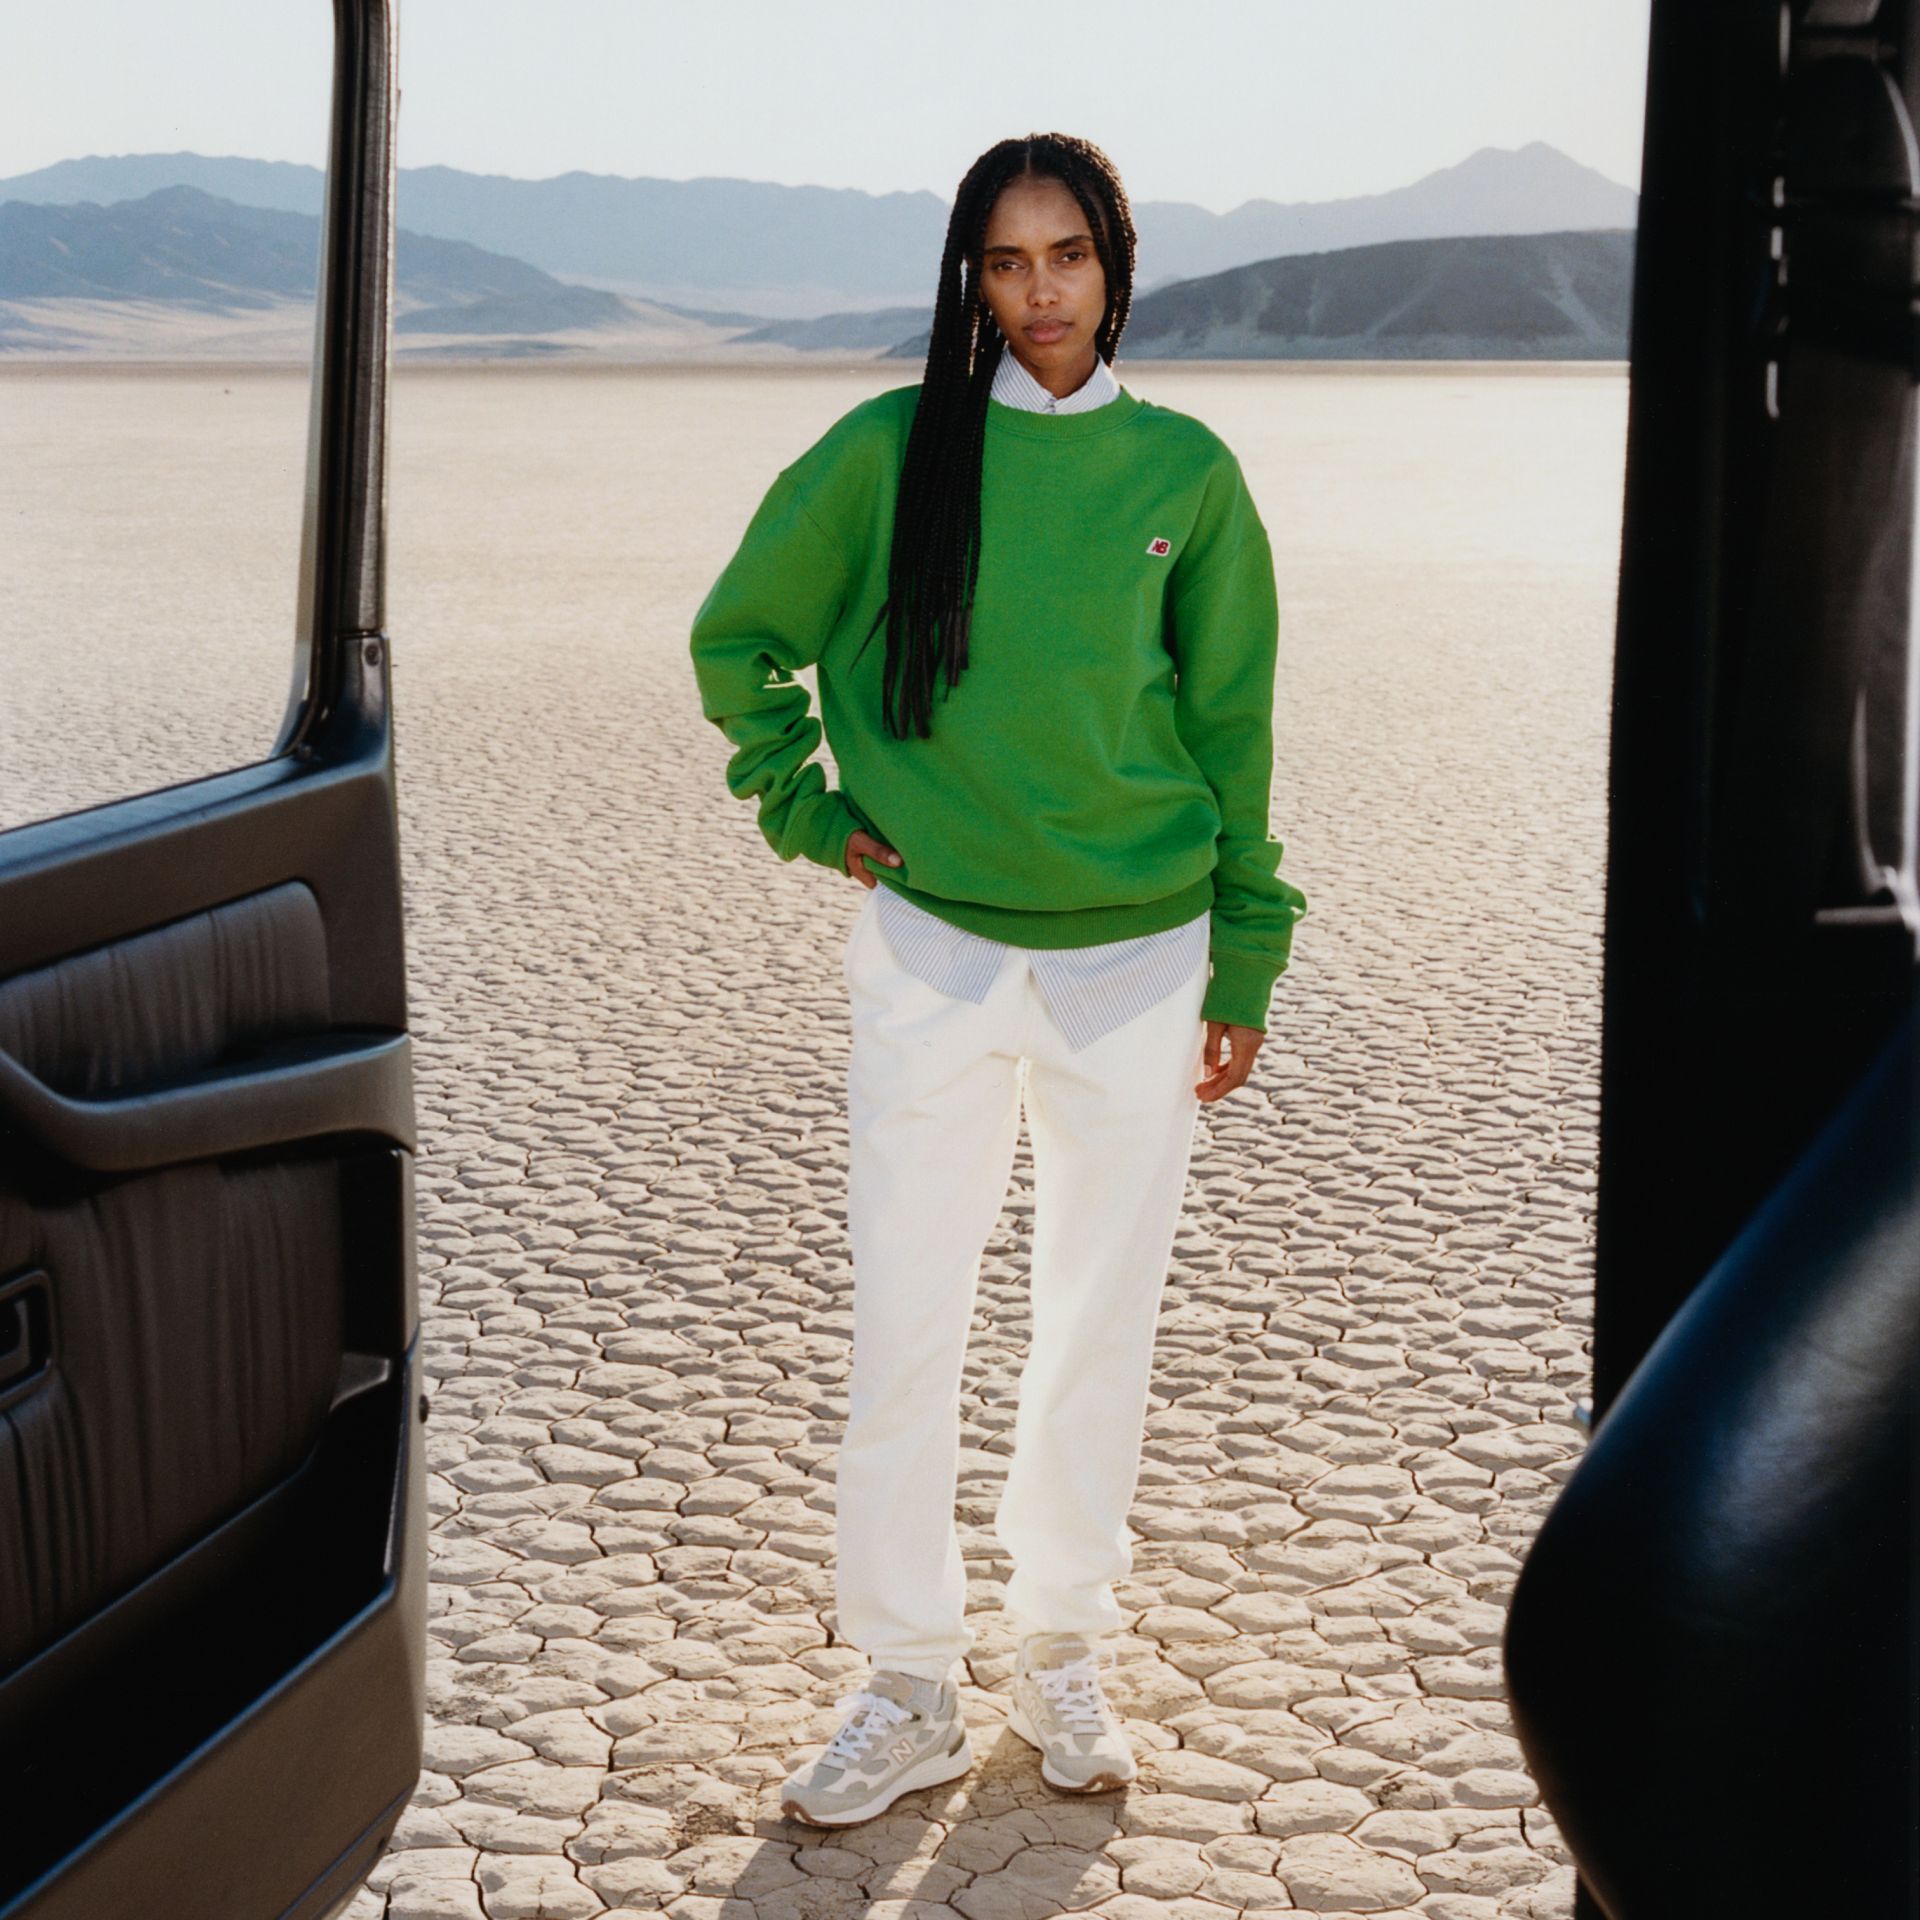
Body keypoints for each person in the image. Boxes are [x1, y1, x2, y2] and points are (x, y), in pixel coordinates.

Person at [688, 131, 1307, 1828]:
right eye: (1007, 261)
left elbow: (1232, 729)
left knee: (1098, 1322)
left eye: (1069, 256)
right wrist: (807, 808)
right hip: (934, 955)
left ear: (1117, 266)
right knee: (908, 1323)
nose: (1041, 293)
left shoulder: (1185, 473)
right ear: (971, 277)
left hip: (1143, 959)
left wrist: (1247, 944)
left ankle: (1059, 1647)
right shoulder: (890, 452)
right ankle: (907, 1681)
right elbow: (738, 640)